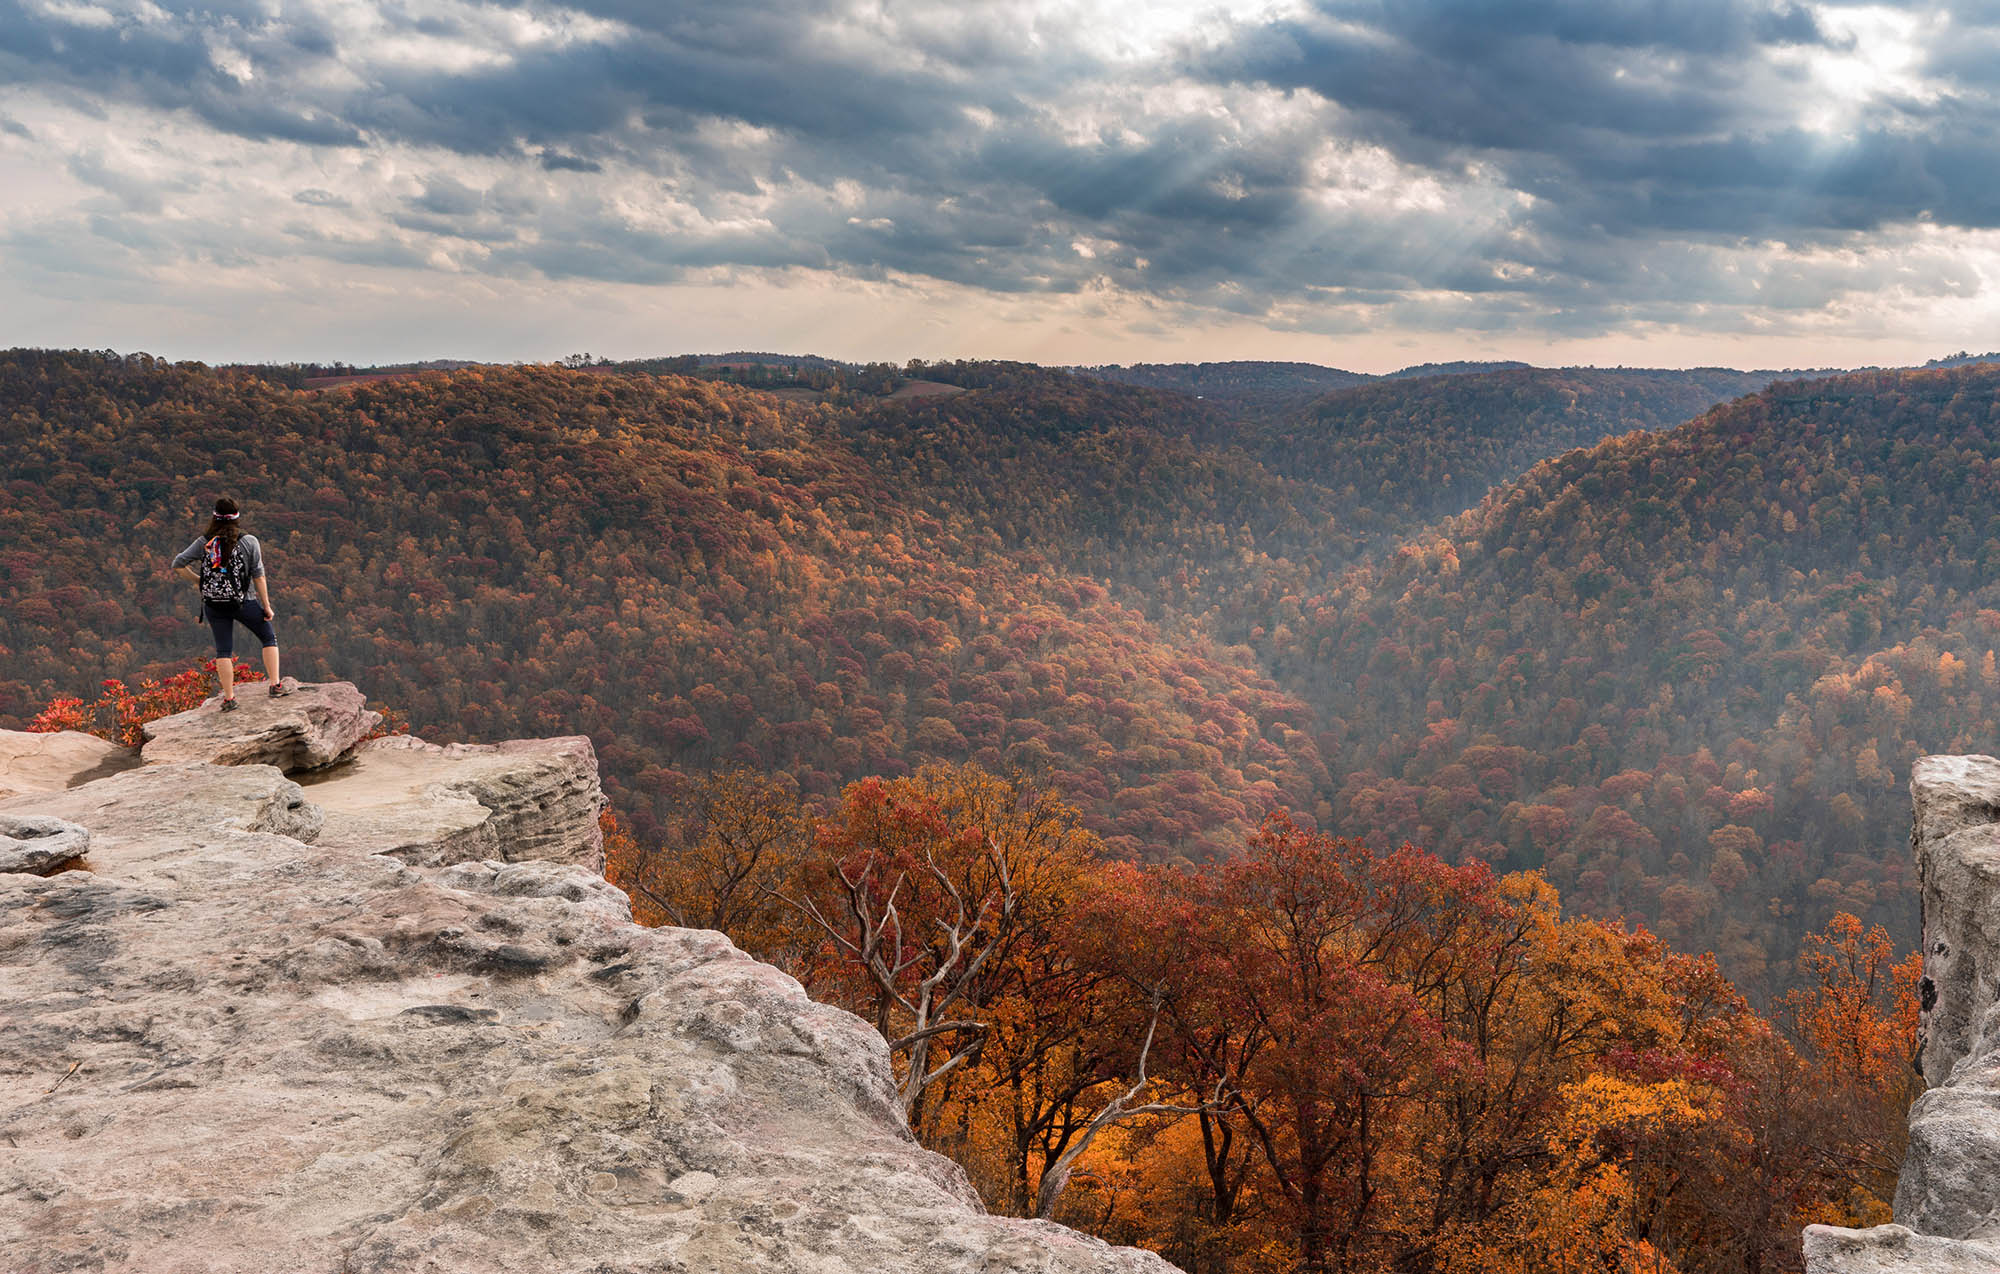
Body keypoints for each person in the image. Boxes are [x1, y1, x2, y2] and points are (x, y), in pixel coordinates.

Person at [170, 496, 290, 712]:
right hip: (245, 601)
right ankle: (275, 685)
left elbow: (178, 564)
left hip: (214, 604)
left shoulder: (203, 542)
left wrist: (200, 581)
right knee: (268, 637)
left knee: (223, 650)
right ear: (237, 518)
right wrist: (267, 606)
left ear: (214, 517)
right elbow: (259, 576)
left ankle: (229, 699)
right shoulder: (249, 541)